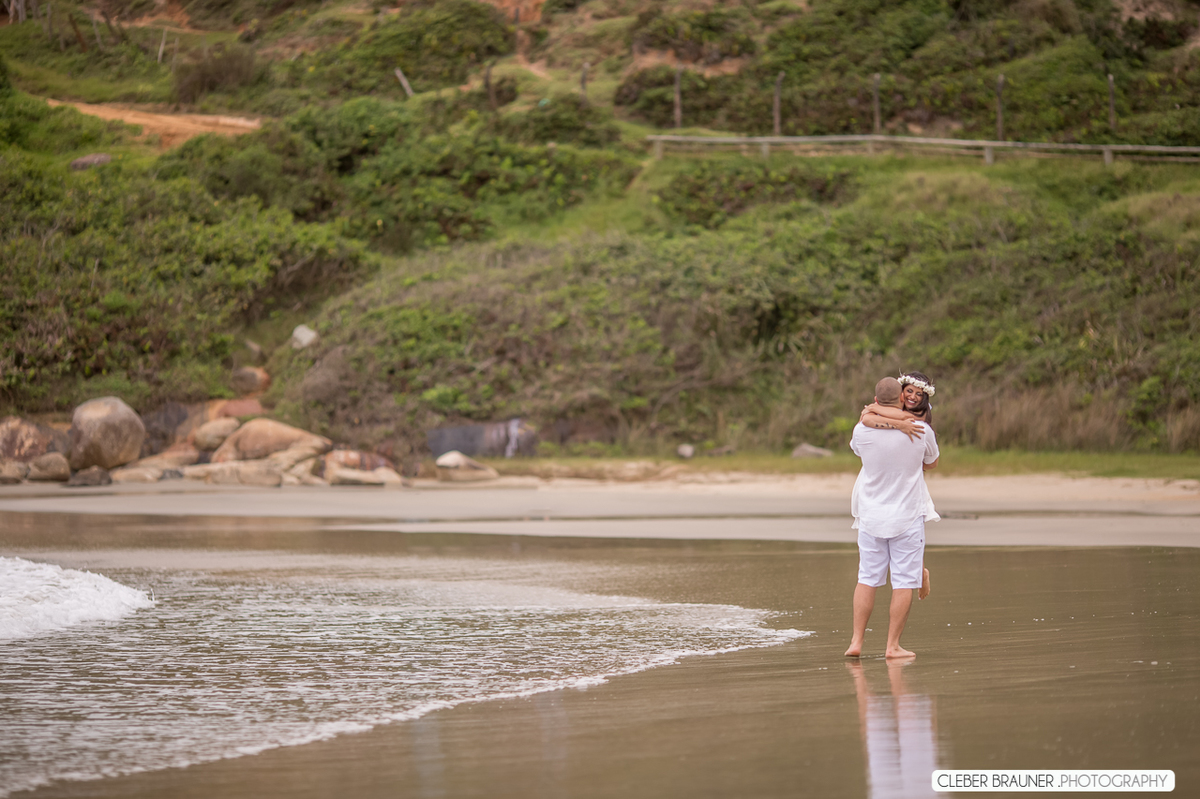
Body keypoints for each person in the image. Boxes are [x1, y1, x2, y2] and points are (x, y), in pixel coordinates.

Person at [844, 376, 939, 659]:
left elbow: (858, 447)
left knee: (867, 579)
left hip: (871, 515)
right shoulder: (921, 430)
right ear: (901, 399)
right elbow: (931, 463)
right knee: (904, 582)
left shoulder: (862, 430)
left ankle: (856, 641)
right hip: (906, 517)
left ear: (875, 401)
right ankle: (892, 646)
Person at [859, 371, 939, 600]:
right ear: (900, 393)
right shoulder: (890, 408)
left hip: (907, 479)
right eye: (909, 391)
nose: (913, 397)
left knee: (912, 531)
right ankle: (920, 572)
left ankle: (921, 574)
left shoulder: (921, 418)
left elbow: (927, 456)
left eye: (919, 394)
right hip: (887, 478)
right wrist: (899, 425)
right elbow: (866, 416)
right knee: (911, 535)